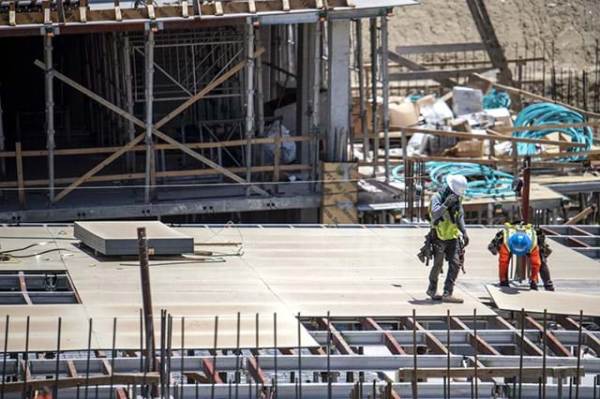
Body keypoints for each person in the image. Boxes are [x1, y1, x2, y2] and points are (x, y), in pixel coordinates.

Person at [426, 174, 470, 303]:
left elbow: (459, 216)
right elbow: (434, 214)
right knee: (438, 265)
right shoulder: (437, 197)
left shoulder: (458, 198)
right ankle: (432, 290)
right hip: (439, 236)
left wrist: (464, 231)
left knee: (455, 264)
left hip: (453, 236)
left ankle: (447, 293)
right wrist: (445, 205)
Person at [488, 222, 542, 289]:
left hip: (526, 247)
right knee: (503, 261)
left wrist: (533, 279)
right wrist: (503, 280)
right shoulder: (506, 241)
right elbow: (502, 262)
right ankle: (504, 280)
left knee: (537, 262)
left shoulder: (533, 242)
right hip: (510, 246)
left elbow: (536, 263)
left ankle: (536, 281)